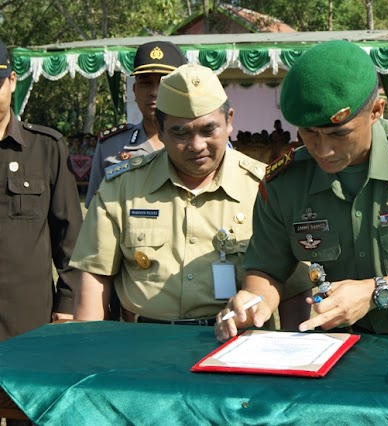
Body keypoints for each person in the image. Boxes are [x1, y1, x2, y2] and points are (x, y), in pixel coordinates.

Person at [215, 40, 388, 343]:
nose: (323, 149)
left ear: (376, 110)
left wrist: (374, 291)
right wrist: (253, 302)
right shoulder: (285, 182)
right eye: (309, 133)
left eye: (339, 134)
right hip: (342, 341)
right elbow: (267, 269)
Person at [71, 64, 309, 327]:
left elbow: (295, 288)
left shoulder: (265, 187)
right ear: (160, 131)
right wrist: (88, 346)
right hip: (145, 345)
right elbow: (94, 278)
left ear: (229, 120)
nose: (197, 146)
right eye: (180, 133)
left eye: (209, 130)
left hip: (237, 345)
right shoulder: (122, 188)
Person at [0, 39, 83, 342]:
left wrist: (67, 303)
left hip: (28, 320)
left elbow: (70, 234)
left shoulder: (45, 148)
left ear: (11, 81)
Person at [85, 40, 187, 208]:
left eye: (164, 82)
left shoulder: (202, 143)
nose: (154, 92)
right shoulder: (111, 146)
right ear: (135, 91)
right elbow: (95, 210)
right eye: (146, 83)